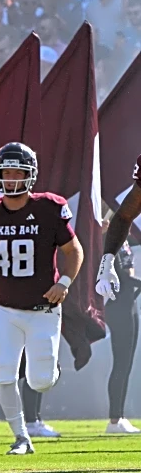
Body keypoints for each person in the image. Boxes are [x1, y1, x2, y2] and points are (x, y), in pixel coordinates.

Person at [0, 143, 83, 455]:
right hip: (3, 309)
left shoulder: (48, 207)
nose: (11, 178)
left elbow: (73, 250)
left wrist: (65, 282)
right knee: (4, 375)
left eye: (17, 172)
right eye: (6, 172)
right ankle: (21, 438)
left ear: (30, 175)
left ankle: (49, 367)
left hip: (42, 307)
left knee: (40, 381)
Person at [96, 154, 141, 433]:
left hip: (128, 302)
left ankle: (118, 416)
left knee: (125, 361)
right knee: (122, 360)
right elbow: (122, 279)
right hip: (118, 304)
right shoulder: (103, 241)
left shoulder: (122, 240)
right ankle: (116, 418)